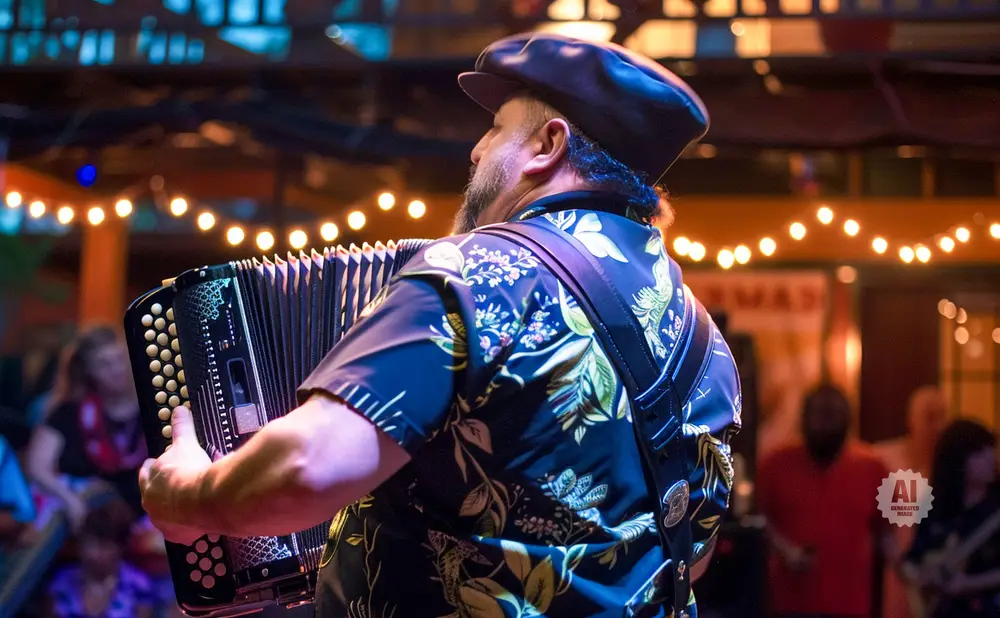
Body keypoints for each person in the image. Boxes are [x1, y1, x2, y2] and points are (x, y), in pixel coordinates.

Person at [138, 33, 742, 618]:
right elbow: (691, 552)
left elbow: (307, 469)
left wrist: (187, 496)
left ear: (546, 145)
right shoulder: (706, 344)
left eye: (497, 127)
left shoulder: (478, 271)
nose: (477, 151)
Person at [757, 384, 895, 618]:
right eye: (819, 415)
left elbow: (887, 535)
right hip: (790, 603)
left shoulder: (873, 467)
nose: (826, 424)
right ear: (804, 419)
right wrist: (785, 550)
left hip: (852, 604)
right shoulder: (775, 464)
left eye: (833, 416)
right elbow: (758, 521)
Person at [26, 326, 147, 528]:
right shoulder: (68, 411)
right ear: (89, 371)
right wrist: (70, 500)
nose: (117, 370)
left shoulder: (153, 407)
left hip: (145, 522)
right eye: (104, 364)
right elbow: (37, 467)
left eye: (119, 359)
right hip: (86, 523)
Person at [901, 419, 1000, 618]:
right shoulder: (934, 507)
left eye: (991, 449)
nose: (991, 458)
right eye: (979, 452)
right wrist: (919, 577)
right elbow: (912, 559)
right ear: (957, 460)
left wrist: (968, 583)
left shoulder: (995, 508)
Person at [874, 385, 948, 618]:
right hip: (892, 570)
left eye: (942, 417)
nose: (937, 426)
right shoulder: (882, 459)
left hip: (936, 571)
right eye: (929, 417)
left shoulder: (949, 469)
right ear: (912, 420)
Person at [43, 499, 157, 618]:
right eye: (88, 543)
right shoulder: (60, 582)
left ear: (120, 547)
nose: (92, 552)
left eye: (103, 546)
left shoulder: (138, 586)